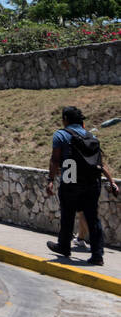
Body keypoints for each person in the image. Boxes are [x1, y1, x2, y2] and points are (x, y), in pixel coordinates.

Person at [46, 106, 119, 265]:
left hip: (70, 181)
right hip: (92, 182)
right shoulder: (91, 136)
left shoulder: (61, 134)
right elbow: (100, 163)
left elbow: (55, 159)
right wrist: (112, 182)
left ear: (65, 119)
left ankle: (64, 247)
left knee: (68, 215)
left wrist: (50, 180)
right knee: (93, 218)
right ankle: (97, 255)